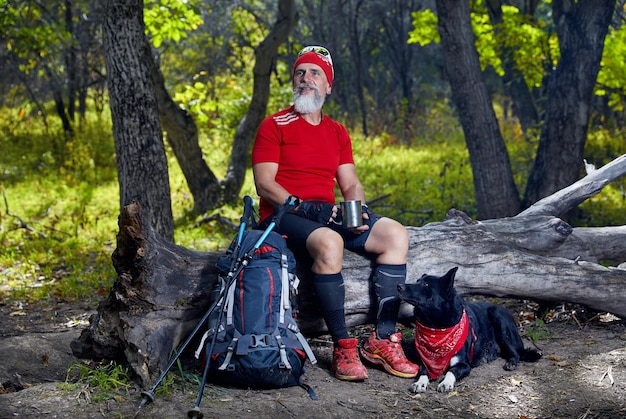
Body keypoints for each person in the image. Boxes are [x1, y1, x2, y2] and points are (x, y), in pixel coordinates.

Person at [251, 45, 418, 382]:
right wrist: (303, 205)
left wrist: (357, 212)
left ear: (328, 85)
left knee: (396, 234)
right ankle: (343, 345)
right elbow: (264, 184)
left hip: (326, 214)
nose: (305, 79)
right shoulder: (274, 125)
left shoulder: (337, 132)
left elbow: (351, 183)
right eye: (300, 72)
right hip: (284, 215)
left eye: (314, 73)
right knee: (330, 242)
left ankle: (382, 339)